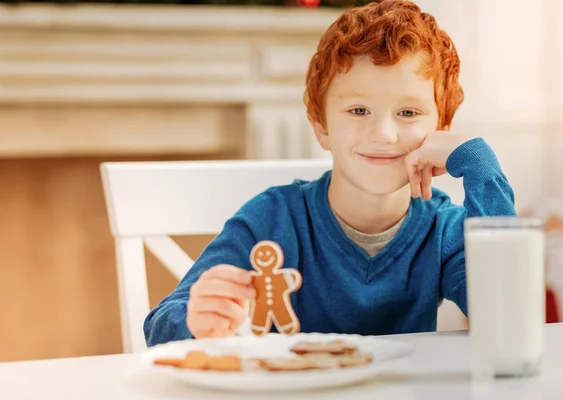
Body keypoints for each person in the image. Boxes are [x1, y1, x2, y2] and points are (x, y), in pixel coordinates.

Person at [144, 0, 516, 346]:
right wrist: (196, 324)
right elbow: (162, 323)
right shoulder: (272, 218)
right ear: (321, 126)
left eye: (408, 113)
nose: (384, 134)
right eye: (358, 111)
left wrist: (477, 163)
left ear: (441, 130)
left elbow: (506, 312)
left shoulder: (443, 231)